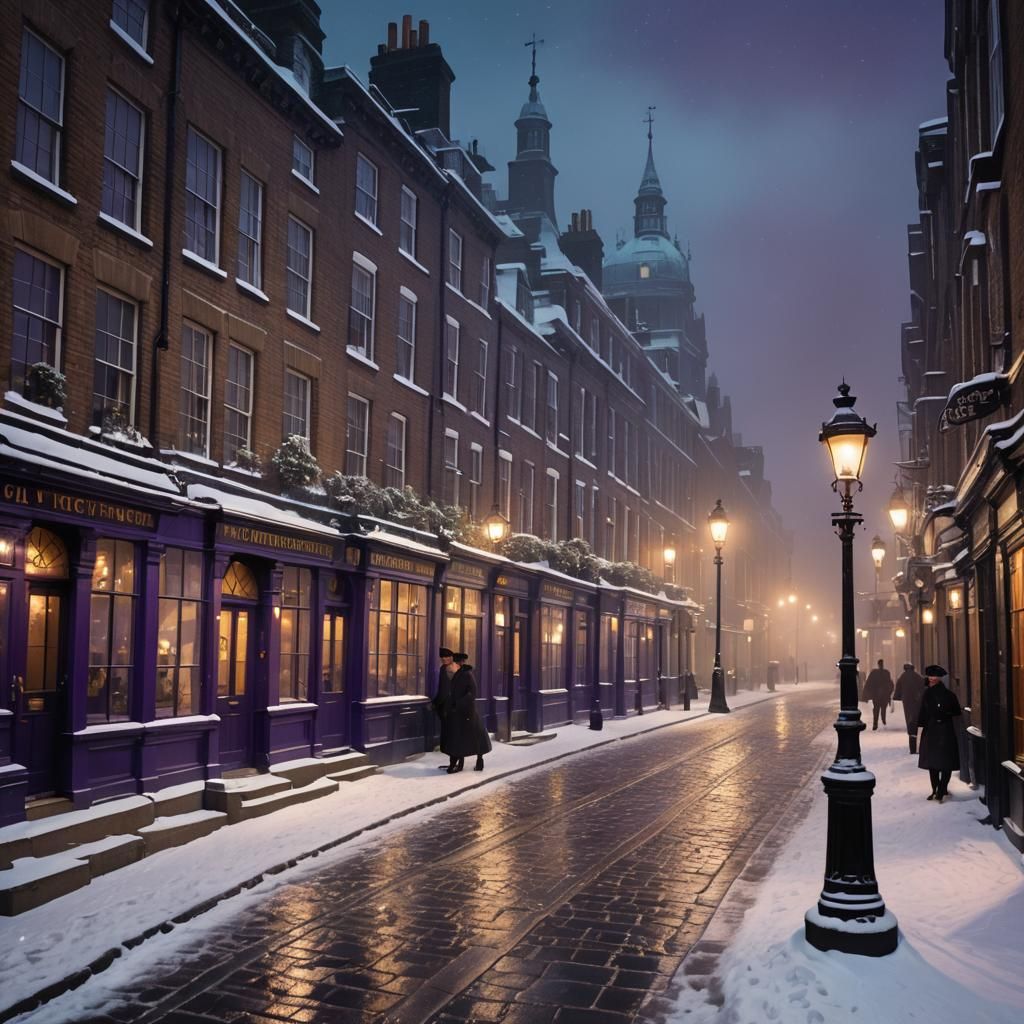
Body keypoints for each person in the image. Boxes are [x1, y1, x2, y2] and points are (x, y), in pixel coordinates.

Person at [917, 664, 962, 803]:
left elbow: (923, 714)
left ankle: (937, 789)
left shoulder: (928, 694)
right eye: (930, 676)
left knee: (934, 762)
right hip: (944, 730)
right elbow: (956, 712)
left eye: (933, 676)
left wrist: (919, 728)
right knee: (945, 762)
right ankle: (940, 789)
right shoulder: (949, 695)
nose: (931, 679)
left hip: (933, 730)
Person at [445, 652, 492, 773]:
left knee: (472, 738)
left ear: (460, 663)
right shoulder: (457, 675)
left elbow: (472, 694)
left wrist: (458, 703)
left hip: (467, 712)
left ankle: (477, 761)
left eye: (455, 662)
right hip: (458, 711)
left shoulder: (467, 675)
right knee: (460, 738)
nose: (453, 664)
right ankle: (458, 763)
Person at [893, 662, 926, 754]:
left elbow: (898, 689)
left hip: (907, 702)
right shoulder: (917, 676)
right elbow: (924, 685)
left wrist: (897, 696)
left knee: (910, 721)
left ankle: (912, 747)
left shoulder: (902, 676)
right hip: (917, 702)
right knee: (917, 721)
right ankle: (918, 745)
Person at [432, 647, 456, 769]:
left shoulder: (449, 669)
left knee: (451, 735)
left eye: (446, 657)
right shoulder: (448, 668)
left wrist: (435, 703)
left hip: (449, 707)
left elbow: (445, 690)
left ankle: (454, 763)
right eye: (442, 658)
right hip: (451, 707)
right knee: (453, 735)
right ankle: (455, 762)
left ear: (452, 657)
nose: (444, 659)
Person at [861, 659, 894, 730]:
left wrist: (866, 694)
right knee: (881, 708)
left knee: (877, 708)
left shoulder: (875, 673)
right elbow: (890, 683)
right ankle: (881, 721)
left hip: (877, 694)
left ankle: (876, 723)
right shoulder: (886, 672)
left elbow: (868, 683)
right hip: (881, 695)